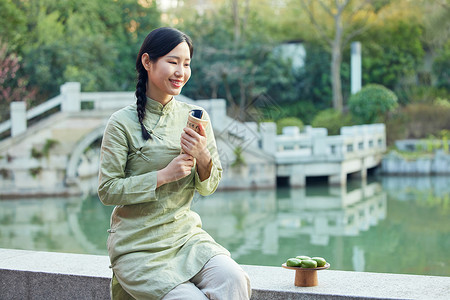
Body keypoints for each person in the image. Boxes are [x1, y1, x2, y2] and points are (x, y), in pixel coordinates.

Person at [97, 27, 251, 300]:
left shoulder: (195, 117)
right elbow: (107, 190)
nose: (181, 71)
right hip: (137, 245)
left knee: (234, 279)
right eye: (173, 61)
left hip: (185, 237)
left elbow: (208, 187)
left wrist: (203, 155)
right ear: (147, 62)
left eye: (187, 63)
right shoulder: (121, 123)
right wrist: (163, 175)